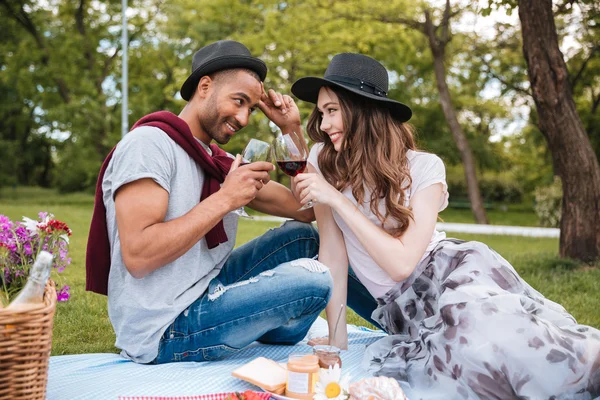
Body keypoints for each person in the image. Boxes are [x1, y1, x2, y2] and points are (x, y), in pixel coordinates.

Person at [290, 53, 600, 399]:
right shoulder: (322, 160)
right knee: (472, 362)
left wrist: (338, 200)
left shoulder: (425, 168)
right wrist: (337, 339)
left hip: (452, 274)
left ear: (362, 110)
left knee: (500, 337)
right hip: (404, 309)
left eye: (332, 110)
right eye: (321, 112)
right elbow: (332, 252)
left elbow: (402, 264)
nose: (324, 122)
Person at [86, 40, 333, 364]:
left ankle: (257, 321)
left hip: (208, 290)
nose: (244, 118)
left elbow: (307, 211)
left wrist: (290, 127)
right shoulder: (148, 145)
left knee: (303, 240)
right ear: (205, 86)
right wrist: (226, 198)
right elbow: (139, 255)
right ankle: (266, 322)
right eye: (239, 101)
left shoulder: (219, 162)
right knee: (314, 281)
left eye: (252, 109)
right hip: (166, 327)